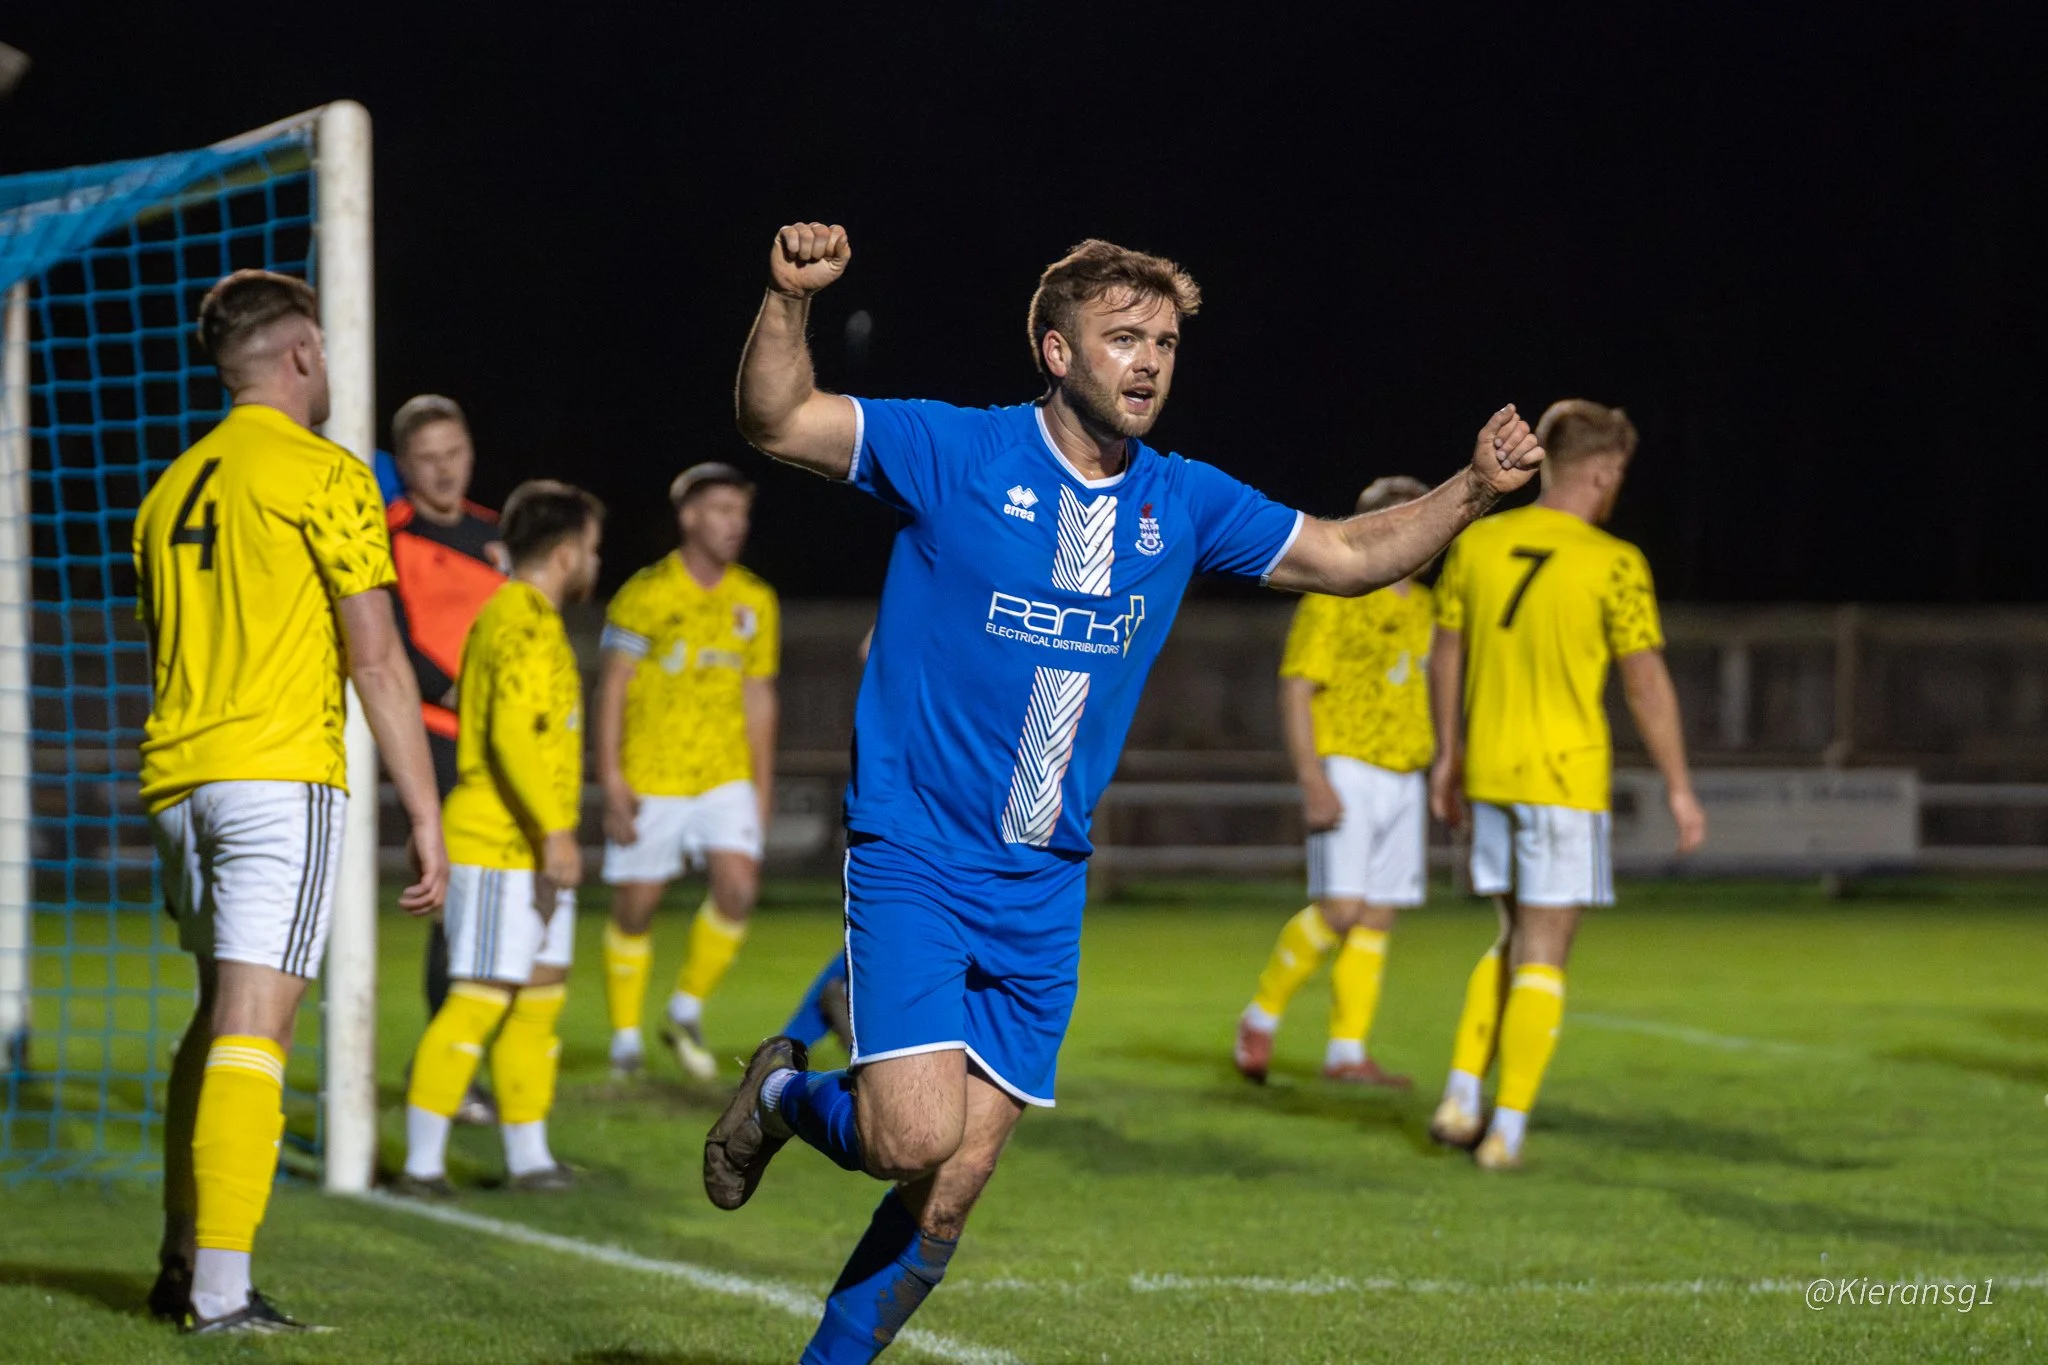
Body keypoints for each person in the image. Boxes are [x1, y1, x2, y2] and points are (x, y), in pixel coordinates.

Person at [705, 223, 1544, 1362]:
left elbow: (1345, 556)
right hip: (916, 852)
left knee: (951, 1190)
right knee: (910, 1137)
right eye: (1121, 338)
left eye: (1162, 342)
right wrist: (785, 298)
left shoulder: (1182, 499)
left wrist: (1472, 490)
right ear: (1054, 352)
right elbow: (776, 418)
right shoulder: (954, 453)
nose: (1147, 361)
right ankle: (786, 1101)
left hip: (1045, 882)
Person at [137, 270, 447, 1333]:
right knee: (256, 1027)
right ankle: (220, 1296)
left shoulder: (168, 487)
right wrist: (426, 815)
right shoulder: (327, 473)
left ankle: (182, 1258)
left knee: (214, 1016)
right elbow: (378, 659)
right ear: (304, 356)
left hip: (177, 782)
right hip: (276, 774)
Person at [1425, 399, 1706, 1171]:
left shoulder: (1480, 541)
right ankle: (1505, 1130)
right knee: (1546, 950)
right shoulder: (1612, 561)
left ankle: (1459, 1094)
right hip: (1562, 775)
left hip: (1489, 770)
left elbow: (1444, 653)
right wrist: (1680, 787)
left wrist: (1447, 756)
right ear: (1606, 471)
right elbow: (1646, 685)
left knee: (1511, 937)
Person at [394, 481, 604, 1196]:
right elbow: (513, 734)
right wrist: (554, 832)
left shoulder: (534, 619)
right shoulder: (515, 618)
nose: (596, 562)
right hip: (497, 844)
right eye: (595, 548)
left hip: (533, 849)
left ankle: (528, 1156)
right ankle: (422, 1165)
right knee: (479, 997)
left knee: (537, 1000)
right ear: (569, 551)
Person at [1234, 475, 1436, 1089]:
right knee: (1341, 909)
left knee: (1377, 915)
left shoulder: (1427, 609)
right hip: (1347, 763)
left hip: (1407, 769)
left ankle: (1347, 1052)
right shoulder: (1337, 594)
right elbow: (1299, 686)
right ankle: (1261, 1014)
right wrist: (1312, 777)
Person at [597, 464, 780, 1081]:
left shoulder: (755, 601)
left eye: (742, 512)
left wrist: (762, 787)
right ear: (690, 517)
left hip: (724, 773)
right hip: (653, 773)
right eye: (722, 510)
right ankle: (625, 1035)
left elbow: (759, 697)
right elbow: (612, 690)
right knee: (636, 906)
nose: (737, 524)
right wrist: (612, 779)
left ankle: (684, 1009)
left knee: (739, 887)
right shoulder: (645, 594)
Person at [386, 396, 508, 1127]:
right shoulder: (386, 536)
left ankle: (465, 1061)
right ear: (404, 464)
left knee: (499, 900)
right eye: (428, 456)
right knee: (454, 898)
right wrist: (459, 688)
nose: (443, 468)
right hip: (432, 734)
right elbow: (388, 641)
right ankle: (447, 1068)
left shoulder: (497, 536)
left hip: (500, 742)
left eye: (454, 452)